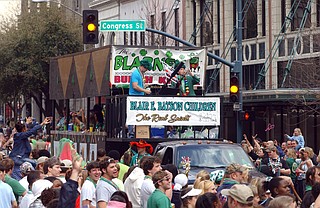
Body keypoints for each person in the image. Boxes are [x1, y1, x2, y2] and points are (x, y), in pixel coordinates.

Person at [128, 59, 152, 138]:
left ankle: (140, 131)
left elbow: (138, 85)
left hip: (139, 97)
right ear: (142, 67)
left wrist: (144, 86)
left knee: (139, 114)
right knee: (132, 115)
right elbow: (135, 86)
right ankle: (131, 133)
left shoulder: (140, 74)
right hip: (134, 97)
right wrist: (144, 90)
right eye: (145, 68)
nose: (146, 70)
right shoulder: (136, 73)